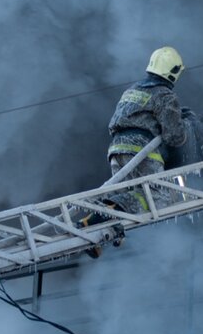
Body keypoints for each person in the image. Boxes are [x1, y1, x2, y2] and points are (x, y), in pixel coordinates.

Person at [80, 47, 195, 230]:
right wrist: (184, 124)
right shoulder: (165, 95)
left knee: (127, 195)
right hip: (142, 152)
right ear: (173, 71)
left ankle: (99, 225)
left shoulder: (132, 90)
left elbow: (140, 116)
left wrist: (177, 114)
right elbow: (174, 136)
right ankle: (107, 211)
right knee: (158, 199)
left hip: (116, 150)